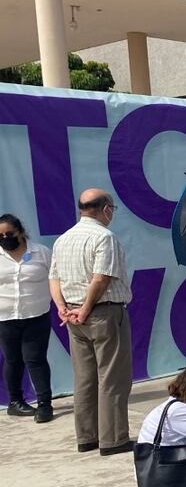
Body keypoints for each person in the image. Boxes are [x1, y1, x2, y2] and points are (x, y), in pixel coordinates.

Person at [48, 189, 133, 454]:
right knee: (112, 377)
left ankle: (87, 437)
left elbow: (54, 278)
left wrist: (62, 308)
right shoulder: (104, 237)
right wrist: (85, 309)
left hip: (73, 316)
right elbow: (101, 278)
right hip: (102, 312)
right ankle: (113, 439)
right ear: (106, 209)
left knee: (84, 378)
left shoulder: (63, 239)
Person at [0, 214, 53, 422]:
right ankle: (15, 402)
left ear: (20, 231)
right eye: (1, 236)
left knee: (35, 359)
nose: (5, 239)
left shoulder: (41, 252)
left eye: (9, 234)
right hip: (6, 317)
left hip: (36, 316)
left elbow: (56, 279)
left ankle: (44, 404)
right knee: (12, 360)